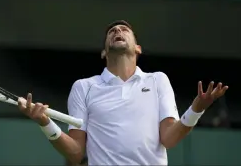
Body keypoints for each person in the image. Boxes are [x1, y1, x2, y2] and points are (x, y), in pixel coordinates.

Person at [18, 20, 229, 165]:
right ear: (104, 52)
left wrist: (196, 109)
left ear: (138, 48)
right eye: (112, 31)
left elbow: (169, 138)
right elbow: (75, 152)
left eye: (124, 30)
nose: (117, 31)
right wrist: (46, 124)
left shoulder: (158, 80)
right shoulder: (83, 87)